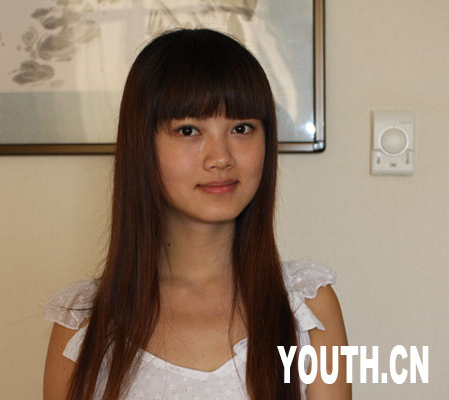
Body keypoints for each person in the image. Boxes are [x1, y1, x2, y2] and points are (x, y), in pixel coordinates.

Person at [43, 28, 350, 400]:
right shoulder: (83, 324)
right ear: (142, 146)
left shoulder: (306, 307)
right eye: (189, 130)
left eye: (241, 128)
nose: (220, 157)